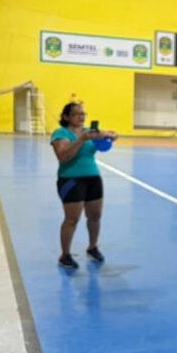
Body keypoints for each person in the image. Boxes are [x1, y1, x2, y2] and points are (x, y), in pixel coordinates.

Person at [50, 102, 118, 269]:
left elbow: (110, 135)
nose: (81, 117)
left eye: (83, 113)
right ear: (66, 117)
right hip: (71, 180)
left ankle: (92, 247)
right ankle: (65, 255)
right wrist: (82, 139)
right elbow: (63, 156)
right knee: (72, 219)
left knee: (95, 216)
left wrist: (111, 135)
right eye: (76, 114)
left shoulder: (89, 132)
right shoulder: (61, 133)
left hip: (93, 178)